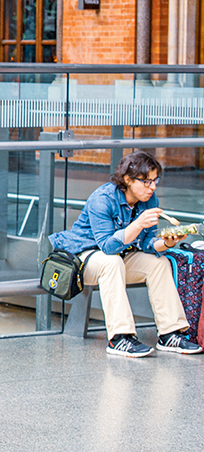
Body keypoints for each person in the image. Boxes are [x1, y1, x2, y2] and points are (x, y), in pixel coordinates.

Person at [49, 150, 202, 357]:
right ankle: (119, 338)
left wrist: (165, 243)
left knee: (158, 263)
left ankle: (170, 334)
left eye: (155, 180)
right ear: (128, 179)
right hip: (84, 259)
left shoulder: (149, 200)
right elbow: (106, 247)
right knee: (111, 262)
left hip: (119, 258)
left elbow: (147, 244)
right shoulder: (102, 199)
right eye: (146, 181)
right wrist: (138, 224)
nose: (153, 187)